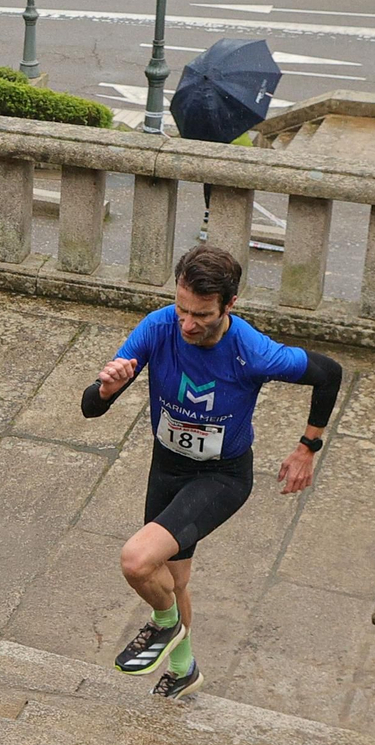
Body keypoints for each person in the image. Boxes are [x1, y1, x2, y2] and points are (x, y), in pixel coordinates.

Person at [81, 245, 342, 700]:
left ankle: (164, 625)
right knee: (174, 579)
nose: (186, 324)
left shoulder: (254, 352)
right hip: (168, 465)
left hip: (222, 476)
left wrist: (308, 447)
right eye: (181, 308)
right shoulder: (159, 327)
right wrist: (106, 389)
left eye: (200, 315)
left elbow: (329, 373)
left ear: (230, 306)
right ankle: (183, 671)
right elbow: (89, 408)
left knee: (138, 561)